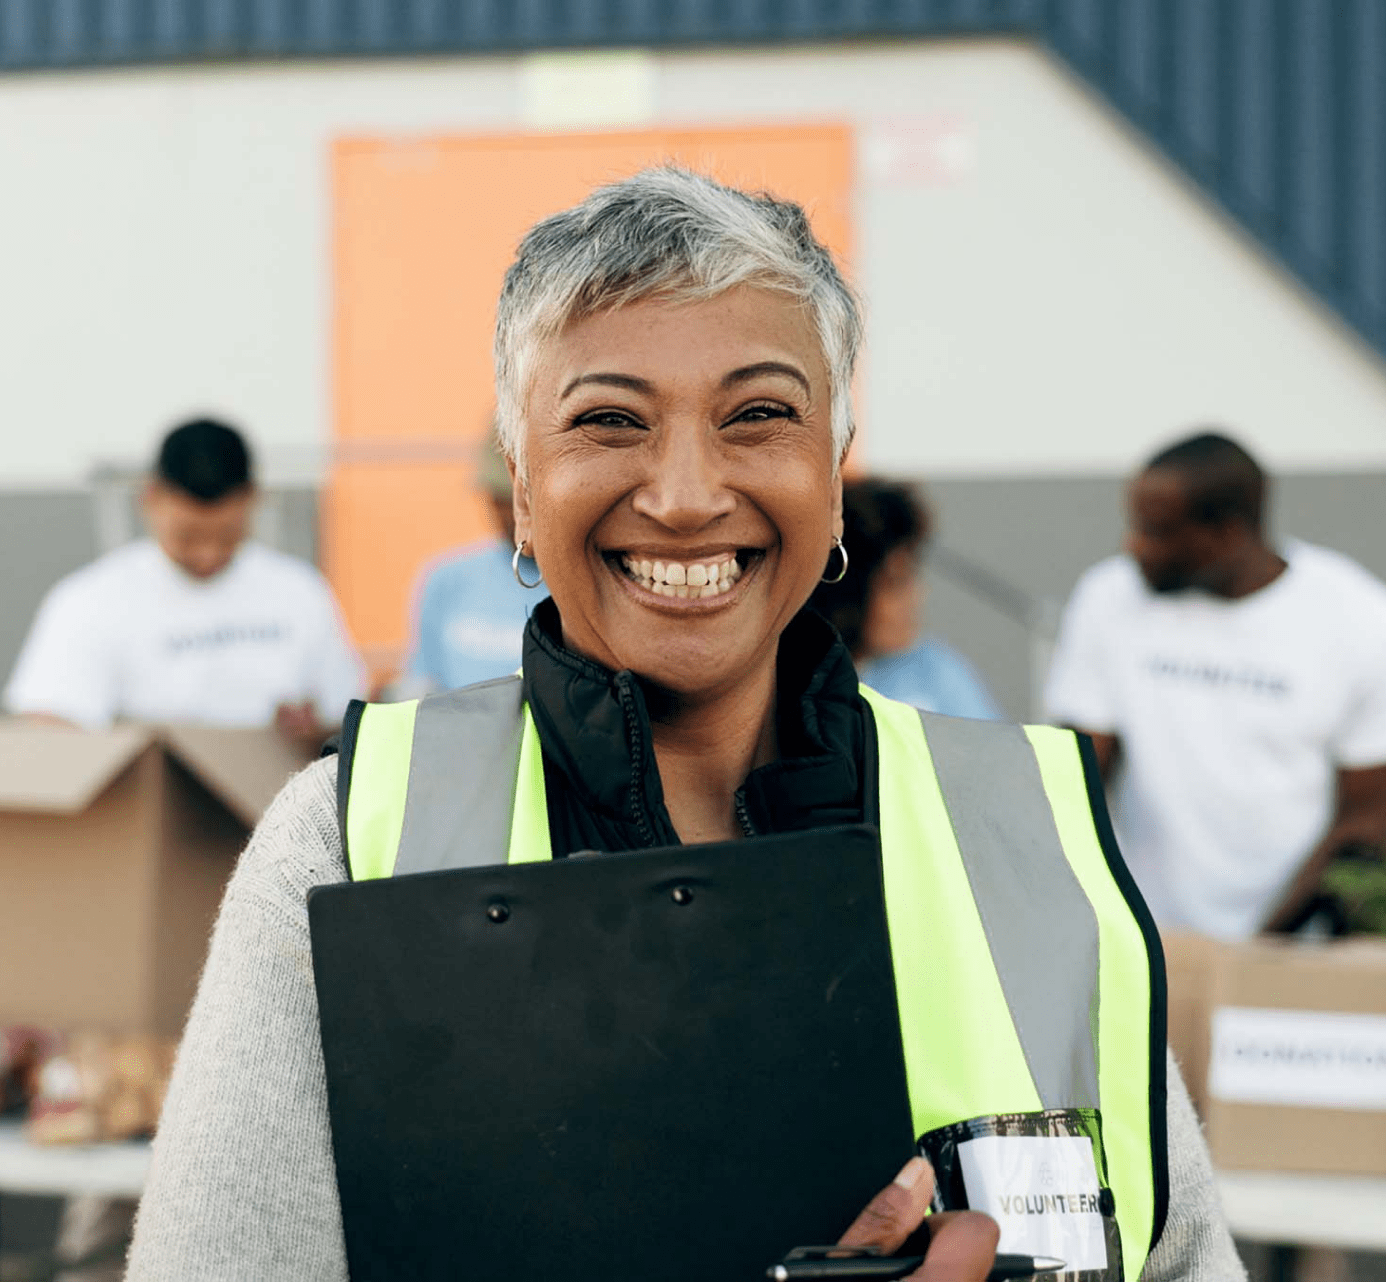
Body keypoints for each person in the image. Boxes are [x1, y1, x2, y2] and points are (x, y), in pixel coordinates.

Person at [126, 171, 1242, 1281]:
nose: (687, 493)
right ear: (522, 487)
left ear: (834, 474)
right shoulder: (345, 840)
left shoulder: (1031, 832)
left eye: (759, 414)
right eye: (609, 420)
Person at [1045, 432, 1386, 940]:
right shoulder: (1109, 597)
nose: (1133, 547)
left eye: (1157, 532)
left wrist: (1263, 950)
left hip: (1291, 944)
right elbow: (1074, 779)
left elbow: (1366, 817)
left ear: (1228, 533)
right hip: (1146, 942)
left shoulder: (1357, 617)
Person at [4, 418, 365, 744]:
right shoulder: (90, 600)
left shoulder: (299, 590)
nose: (207, 554)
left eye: (227, 536)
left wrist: (313, 728)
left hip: (279, 799)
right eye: (187, 537)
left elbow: (347, 710)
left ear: (253, 499)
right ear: (150, 499)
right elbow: (47, 724)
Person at [810, 478, 1000, 719]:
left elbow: (990, 751)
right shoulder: (799, 682)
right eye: (896, 583)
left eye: (913, 575)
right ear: (844, 594)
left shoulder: (935, 670)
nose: (917, 595)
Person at [402, 425, 542, 692]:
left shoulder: (579, 585)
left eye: (520, 501)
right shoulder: (447, 579)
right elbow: (422, 684)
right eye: (497, 500)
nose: (510, 515)